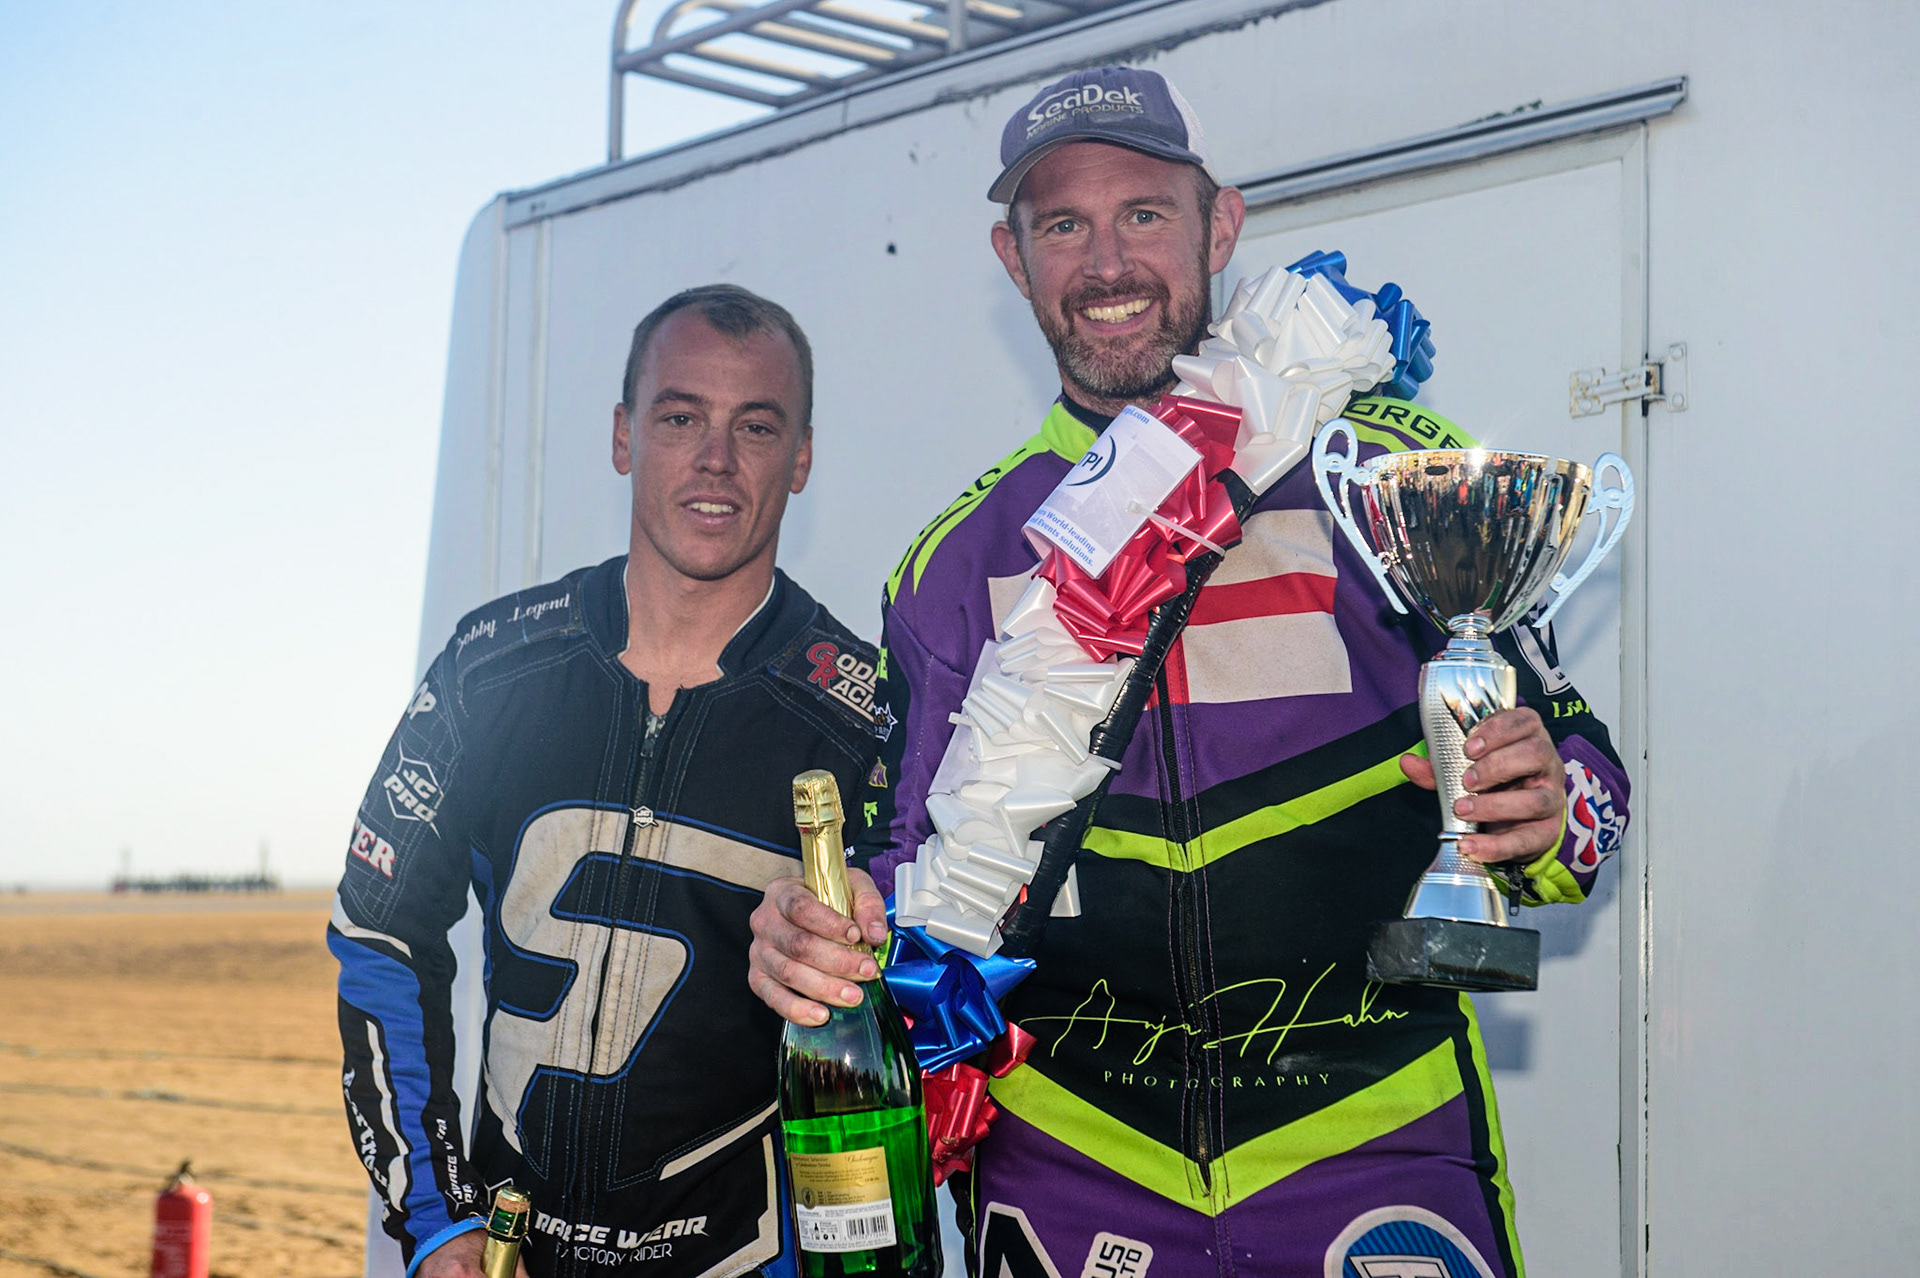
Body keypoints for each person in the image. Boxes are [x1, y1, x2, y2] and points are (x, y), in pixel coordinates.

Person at [747, 68, 1631, 1278]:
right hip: (1069, 1167)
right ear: (1014, 258)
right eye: (1065, 225)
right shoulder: (954, 564)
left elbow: (1582, 768)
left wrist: (1547, 817)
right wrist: (824, 929)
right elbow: (906, 866)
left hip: (1372, 1145)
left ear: (1222, 226)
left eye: (1146, 215)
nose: (1107, 263)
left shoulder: (1378, 470)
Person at [332, 284, 886, 1278]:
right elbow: (381, 933)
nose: (715, 461)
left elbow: (911, 1023)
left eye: (755, 427)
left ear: (801, 458)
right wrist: (436, 1217)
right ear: (625, 435)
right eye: (681, 418)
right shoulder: (491, 667)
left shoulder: (863, 719)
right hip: (508, 1254)